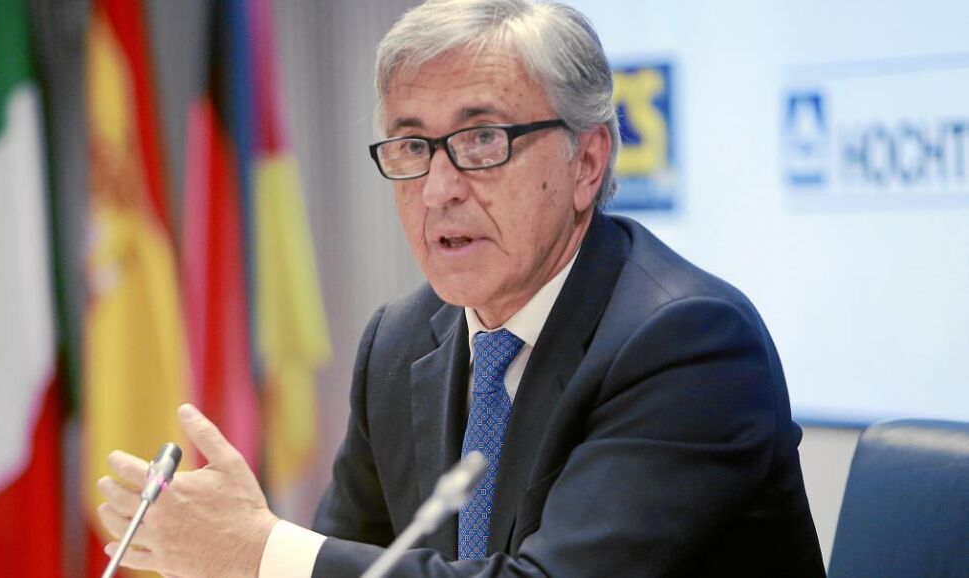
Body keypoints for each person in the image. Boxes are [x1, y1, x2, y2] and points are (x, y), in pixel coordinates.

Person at [97, 1, 827, 576]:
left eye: (482, 140)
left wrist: (260, 552)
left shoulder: (688, 344)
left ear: (586, 162)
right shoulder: (400, 342)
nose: (438, 188)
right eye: (414, 145)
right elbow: (358, 555)